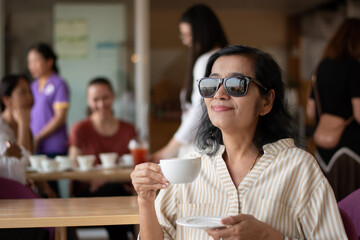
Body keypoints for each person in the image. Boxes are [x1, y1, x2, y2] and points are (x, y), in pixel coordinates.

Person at [131, 45, 347, 239]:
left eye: (236, 84)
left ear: (267, 100)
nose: (220, 93)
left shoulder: (298, 167)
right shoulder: (188, 168)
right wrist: (145, 201)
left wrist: (266, 235)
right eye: (211, 84)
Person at [150, 4, 228, 162]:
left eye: (188, 35)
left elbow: (199, 110)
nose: (185, 41)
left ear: (202, 33)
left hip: (201, 147)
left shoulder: (206, 61)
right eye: (183, 36)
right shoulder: (226, 58)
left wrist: (169, 149)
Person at [69, 77, 136, 240]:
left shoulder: (128, 129)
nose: (101, 104)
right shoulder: (80, 129)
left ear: (113, 96)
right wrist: (104, 179)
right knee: (113, 196)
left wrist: (105, 179)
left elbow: (136, 167)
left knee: (115, 195)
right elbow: (73, 167)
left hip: (120, 193)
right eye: (95, 99)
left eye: (105, 97)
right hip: (88, 194)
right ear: (88, 101)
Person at [306, 18, 360, 164]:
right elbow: (359, 113)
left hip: (322, 152)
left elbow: (310, 111)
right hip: (350, 153)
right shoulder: (355, 68)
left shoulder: (320, 67)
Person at [27, 43, 70, 157]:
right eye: (30, 62)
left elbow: (60, 117)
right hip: (35, 145)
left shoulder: (58, 83)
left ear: (49, 62)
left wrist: (39, 136)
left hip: (54, 146)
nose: (32, 66)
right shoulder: (33, 86)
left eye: (36, 61)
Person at [0, 74, 32, 185]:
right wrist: (23, 124)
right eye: (23, 92)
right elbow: (21, 160)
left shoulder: (22, 124)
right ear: (7, 100)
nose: (29, 97)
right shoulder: (1, 129)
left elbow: (30, 165)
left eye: (29, 92)